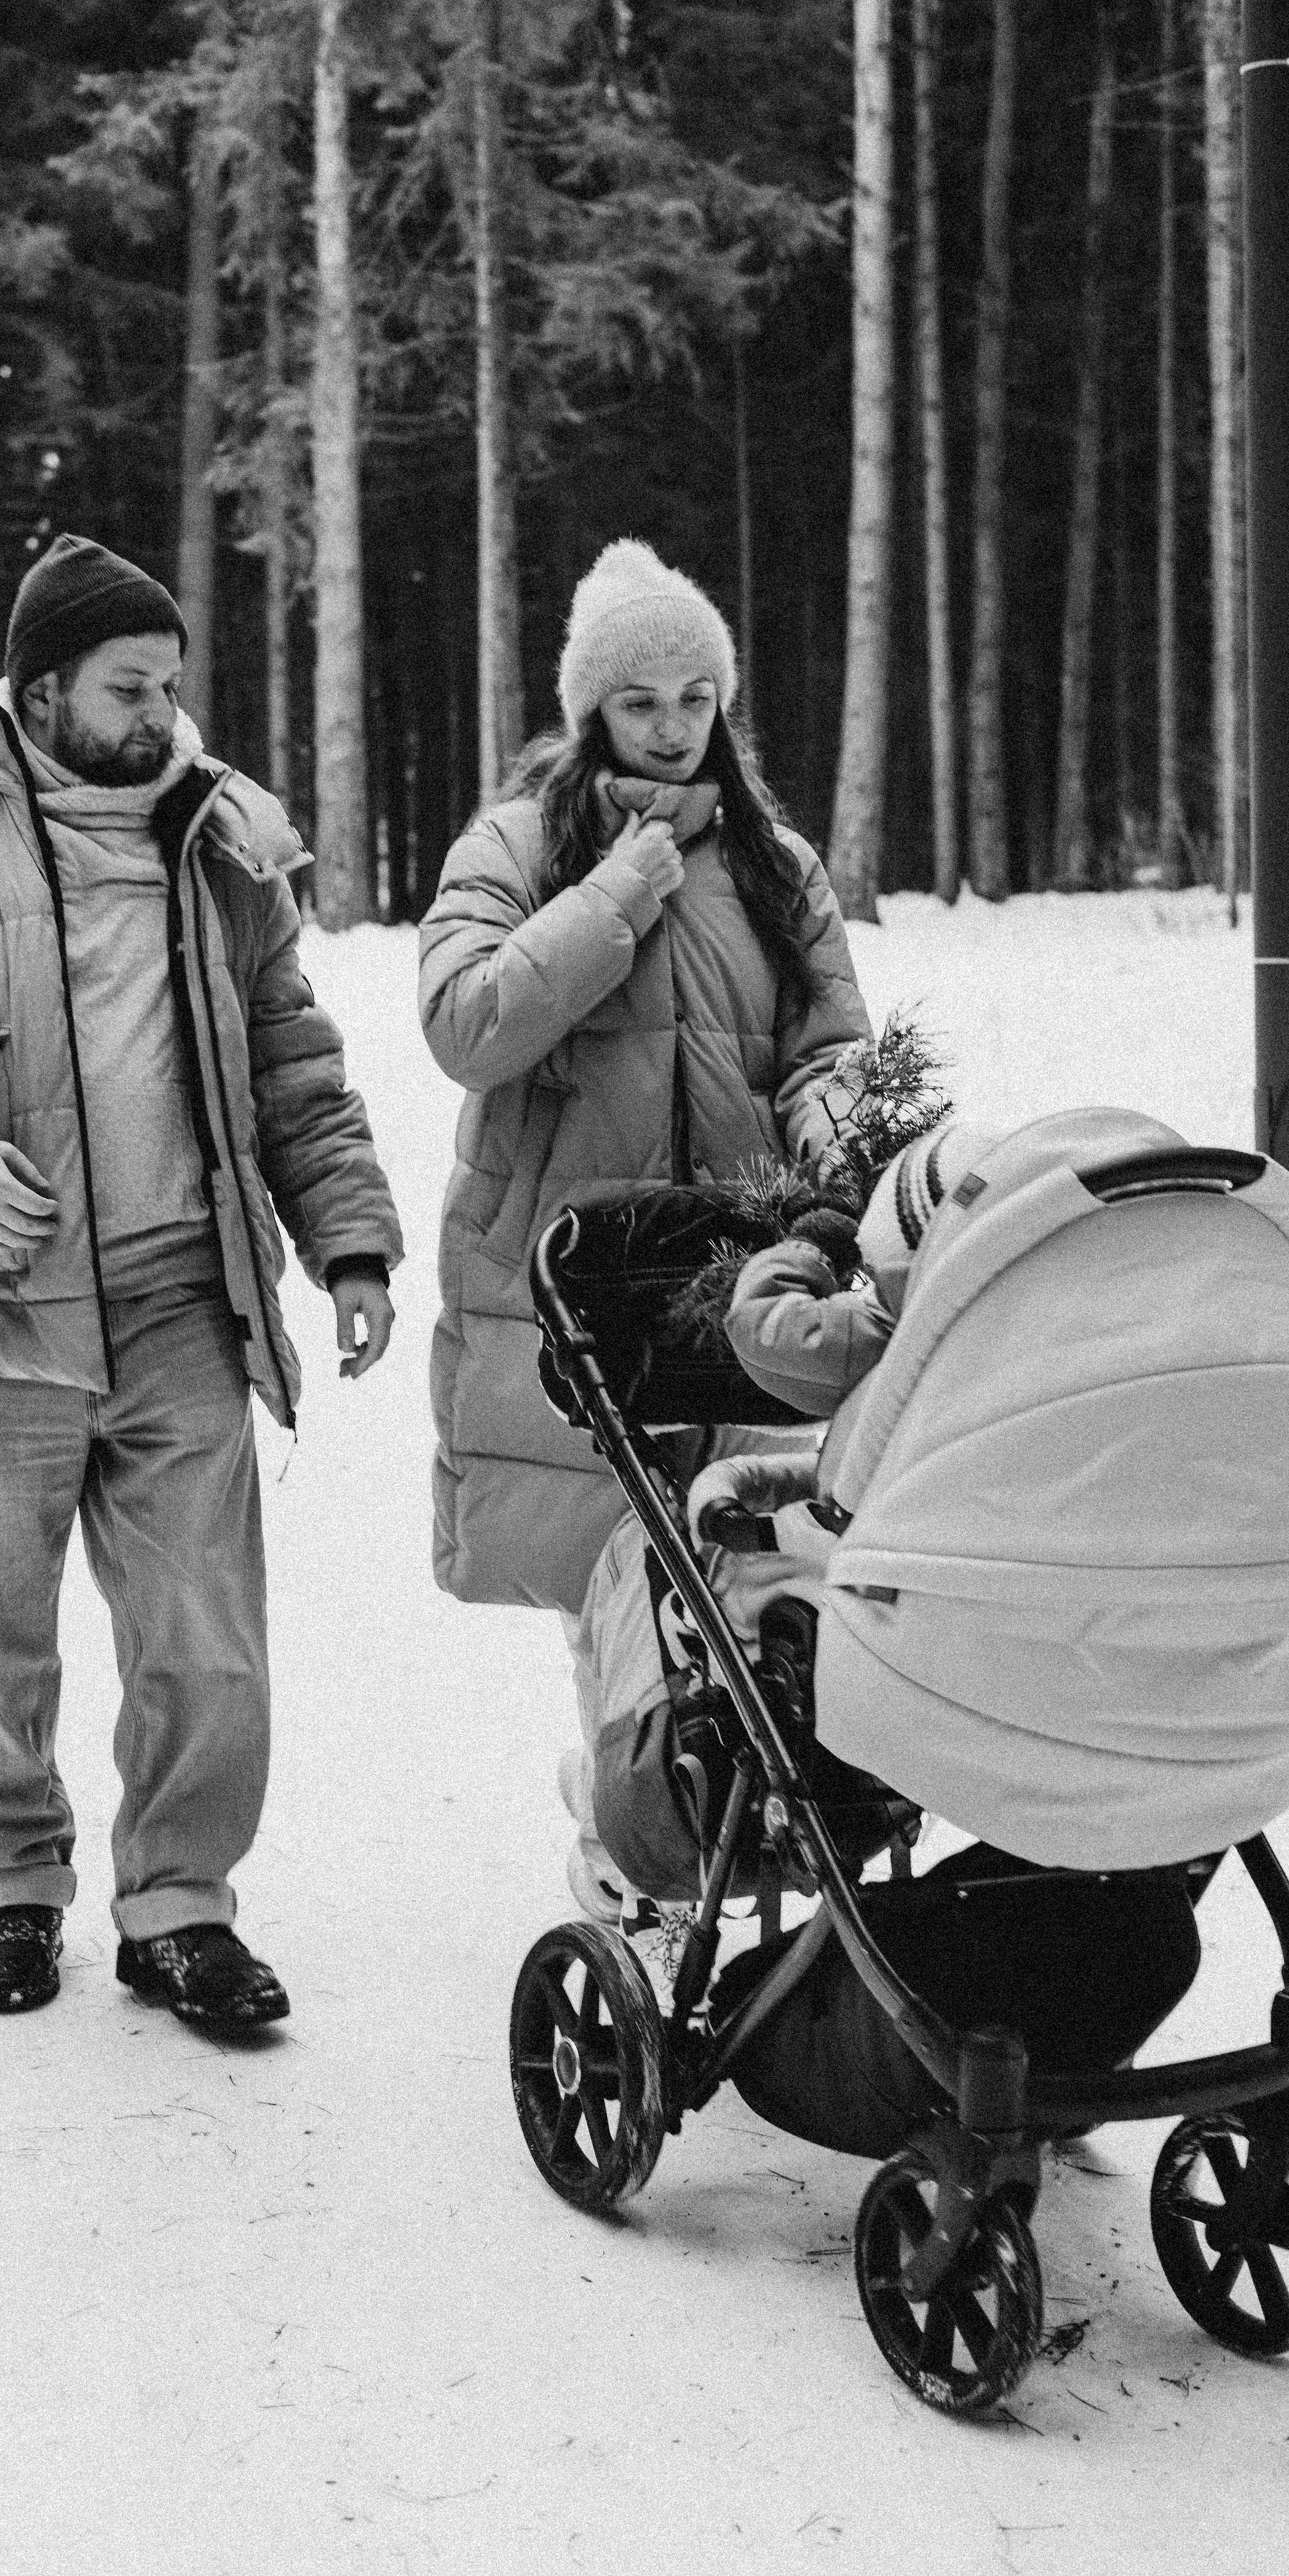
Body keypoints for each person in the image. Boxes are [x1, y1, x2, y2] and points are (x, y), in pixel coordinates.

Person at [0, 534, 402, 2029]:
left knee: (204, 1636)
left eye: (172, 684)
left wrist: (346, 1239)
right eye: (128, 686)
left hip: (183, 1299)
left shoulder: (218, 838)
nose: (162, 713)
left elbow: (293, 1063)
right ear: (39, 693)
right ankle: (12, 1886)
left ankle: (178, 1907)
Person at [417, 535, 871, 1916]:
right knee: (616, 1567)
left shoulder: (780, 866)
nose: (673, 730)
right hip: (572, 1280)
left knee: (738, 1551)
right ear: (587, 712)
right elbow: (465, 1024)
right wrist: (615, 894)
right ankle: (636, 1833)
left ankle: (711, 1815)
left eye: (695, 698)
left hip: (740, 1278)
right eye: (639, 703)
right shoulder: (514, 846)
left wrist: (839, 1131)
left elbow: (825, 1044)